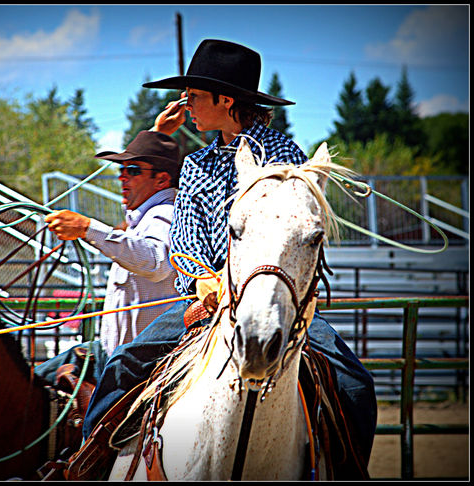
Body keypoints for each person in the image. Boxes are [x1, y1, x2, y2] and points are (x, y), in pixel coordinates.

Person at [74, 39, 377, 479]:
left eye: (194, 96)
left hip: (276, 298)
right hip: (206, 303)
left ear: (225, 99)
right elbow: (183, 244)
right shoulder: (196, 165)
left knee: (353, 382)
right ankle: (89, 465)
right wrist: (203, 280)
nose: (187, 105)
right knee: (123, 365)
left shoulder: (286, 157)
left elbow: (293, 232)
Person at [34, 130, 181, 385]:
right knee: (31, 385)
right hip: (112, 355)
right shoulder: (143, 218)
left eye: (133, 170)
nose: (122, 177)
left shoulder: (166, 213)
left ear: (162, 180)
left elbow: (156, 262)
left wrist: (87, 228)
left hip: (137, 369)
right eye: (121, 170)